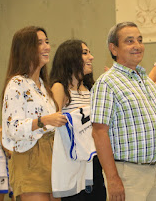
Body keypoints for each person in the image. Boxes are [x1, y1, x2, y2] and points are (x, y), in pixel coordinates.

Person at [90, 22, 156, 201]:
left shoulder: (144, 80)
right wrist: (112, 178)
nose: (137, 45)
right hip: (128, 175)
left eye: (140, 40)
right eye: (129, 41)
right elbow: (99, 132)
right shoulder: (107, 83)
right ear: (114, 49)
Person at [1, 26, 67, 201]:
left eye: (47, 41)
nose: (47, 47)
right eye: (39, 43)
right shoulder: (17, 83)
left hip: (52, 154)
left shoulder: (43, 86)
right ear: (26, 49)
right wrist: (44, 120)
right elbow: (12, 128)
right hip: (30, 156)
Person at [49, 40, 107, 201]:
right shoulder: (60, 88)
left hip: (95, 159)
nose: (91, 57)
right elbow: (53, 124)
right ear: (70, 57)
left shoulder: (90, 88)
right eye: (85, 53)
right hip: (74, 164)